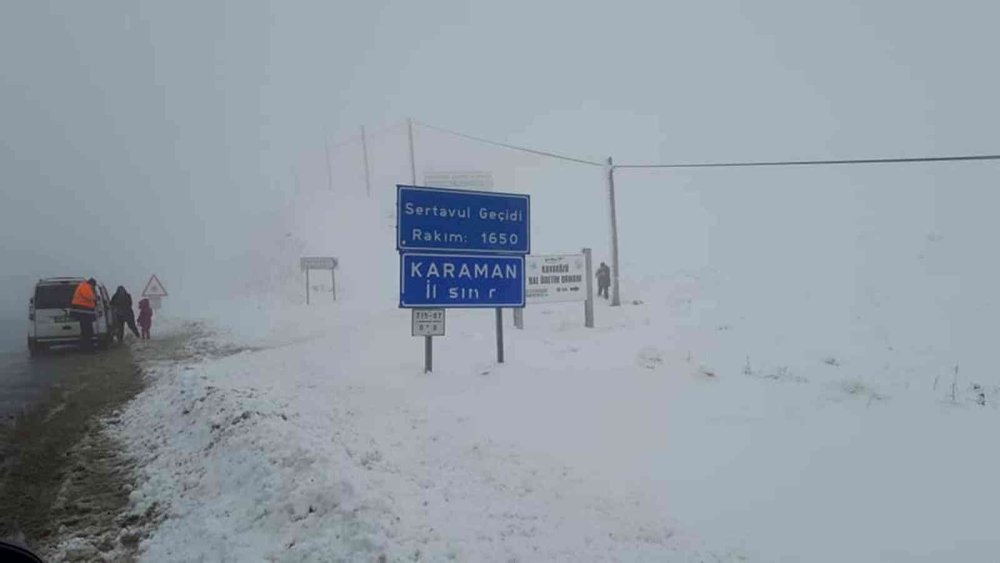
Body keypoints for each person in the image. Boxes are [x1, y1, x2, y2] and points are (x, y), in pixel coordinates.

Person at [70, 278, 98, 351]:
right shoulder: (85, 286)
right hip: (83, 310)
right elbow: (89, 296)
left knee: (86, 330)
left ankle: (84, 347)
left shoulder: (84, 286)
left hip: (83, 310)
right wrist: (95, 297)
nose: (93, 287)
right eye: (93, 286)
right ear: (92, 284)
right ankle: (87, 348)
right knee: (88, 331)